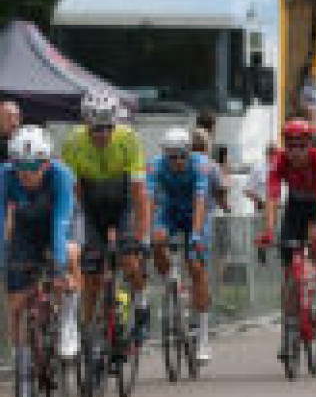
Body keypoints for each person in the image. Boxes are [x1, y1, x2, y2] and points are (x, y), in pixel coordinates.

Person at [62, 91, 150, 343]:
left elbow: (139, 195)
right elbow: (74, 194)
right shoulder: (73, 142)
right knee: (91, 275)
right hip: (90, 207)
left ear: (115, 124)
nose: (101, 135)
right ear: (86, 125)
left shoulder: (129, 139)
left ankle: (142, 305)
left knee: (130, 261)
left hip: (123, 205)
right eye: (95, 129)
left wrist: (141, 237)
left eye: (106, 128)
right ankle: (88, 334)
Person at [2, 127, 80, 365]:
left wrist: (59, 268)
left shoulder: (61, 175)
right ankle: (22, 369)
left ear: (45, 164)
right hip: (27, 227)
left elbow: (60, 224)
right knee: (16, 304)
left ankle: (68, 322)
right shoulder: (5, 175)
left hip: (59, 221)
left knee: (69, 253)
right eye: (20, 166)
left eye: (32, 166)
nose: (25, 173)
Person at [256, 119, 316, 359]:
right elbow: (271, 199)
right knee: (289, 271)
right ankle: (288, 330)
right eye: (290, 146)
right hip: (296, 206)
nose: (295, 151)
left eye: (301, 146)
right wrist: (268, 231)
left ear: (309, 144)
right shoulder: (279, 161)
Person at [148, 127, 216, 363]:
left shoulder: (201, 165)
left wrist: (196, 235)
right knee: (156, 240)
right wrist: (146, 232)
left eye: (181, 155)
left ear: (189, 152)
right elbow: (148, 199)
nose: (177, 161)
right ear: (165, 155)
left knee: (196, 266)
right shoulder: (156, 165)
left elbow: (200, 200)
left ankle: (204, 336)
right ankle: (170, 281)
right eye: (172, 156)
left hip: (195, 215)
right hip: (170, 211)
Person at [244, 144, 278, 213]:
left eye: (275, 154)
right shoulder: (257, 168)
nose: (273, 157)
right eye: (271, 154)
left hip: (278, 211)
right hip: (261, 210)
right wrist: (260, 201)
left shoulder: (281, 169)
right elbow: (247, 190)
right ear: (267, 154)